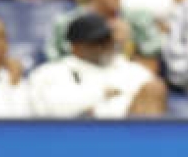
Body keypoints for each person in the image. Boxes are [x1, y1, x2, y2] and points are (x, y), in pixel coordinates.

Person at [28, 11, 168, 117]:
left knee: (154, 89)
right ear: (76, 46)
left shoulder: (132, 70)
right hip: (76, 141)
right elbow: (48, 109)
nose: (105, 45)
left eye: (107, 39)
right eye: (97, 41)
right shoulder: (52, 72)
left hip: (129, 138)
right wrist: (102, 94)